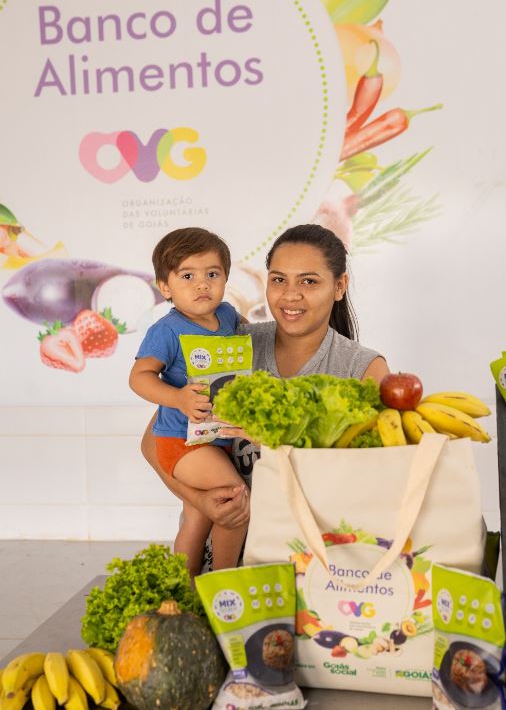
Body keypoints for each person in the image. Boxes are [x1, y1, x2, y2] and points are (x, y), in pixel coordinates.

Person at [140, 224, 389, 551]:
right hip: (224, 570)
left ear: (339, 286)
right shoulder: (232, 345)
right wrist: (199, 501)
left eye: (309, 281)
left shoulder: (364, 369)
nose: (290, 295)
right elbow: (152, 443)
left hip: (316, 562)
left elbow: (377, 483)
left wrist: (281, 439)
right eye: (278, 280)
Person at [129, 227, 248, 577]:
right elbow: (139, 377)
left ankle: (185, 588)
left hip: (214, 438)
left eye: (212, 274)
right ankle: (223, 586)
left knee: (197, 517)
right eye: (187, 276)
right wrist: (177, 398)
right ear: (165, 287)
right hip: (181, 442)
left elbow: (249, 342)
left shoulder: (227, 315)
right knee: (234, 500)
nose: (201, 285)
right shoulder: (167, 330)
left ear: (226, 278)